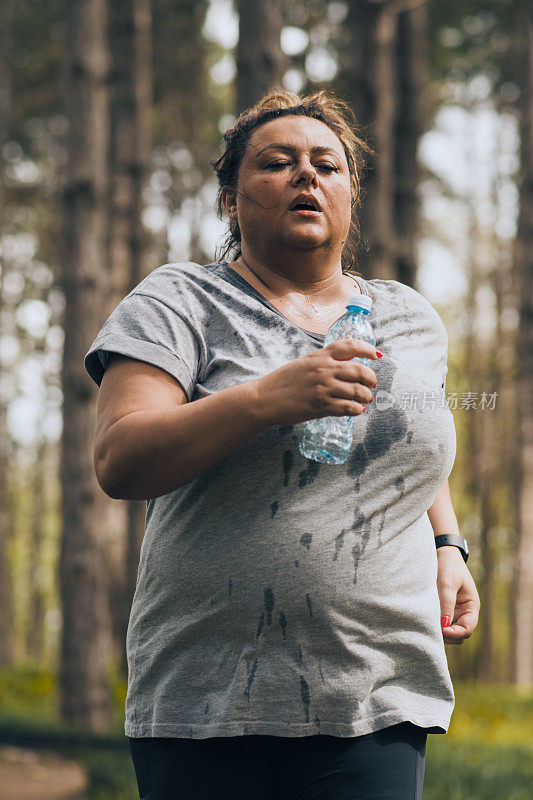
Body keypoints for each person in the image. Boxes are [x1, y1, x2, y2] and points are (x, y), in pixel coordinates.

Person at [84, 89, 480, 800]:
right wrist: (267, 400)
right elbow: (120, 457)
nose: (306, 174)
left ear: (348, 198)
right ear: (230, 201)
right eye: (277, 162)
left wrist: (447, 545)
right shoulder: (179, 300)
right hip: (205, 695)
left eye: (326, 164)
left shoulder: (407, 316)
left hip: (378, 687)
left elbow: (409, 444)